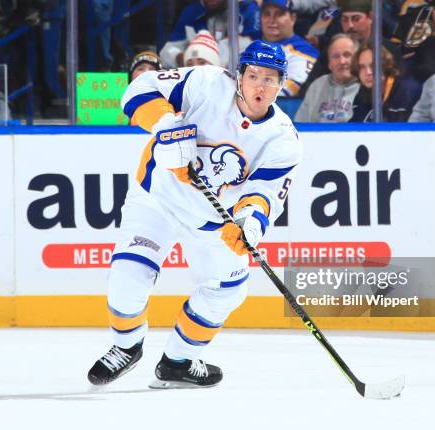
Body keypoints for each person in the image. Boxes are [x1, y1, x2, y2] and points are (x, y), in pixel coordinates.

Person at [87, 40, 301, 389]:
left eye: (271, 79)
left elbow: (264, 194)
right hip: (157, 197)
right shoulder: (206, 82)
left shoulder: (283, 140)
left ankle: (179, 361)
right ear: (239, 76)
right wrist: (166, 124)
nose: (260, 86)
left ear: (282, 84)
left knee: (227, 290)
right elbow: (139, 89)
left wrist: (249, 221)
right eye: (253, 75)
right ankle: (126, 346)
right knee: (127, 277)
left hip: (213, 220)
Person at [160, 0, 261, 68]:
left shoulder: (248, 9)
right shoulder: (191, 11)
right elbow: (167, 50)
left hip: (236, 82)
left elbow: (258, 50)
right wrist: (181, 58)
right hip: (197, 81)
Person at [259, 0, 319, 96]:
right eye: (267, 14)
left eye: (279, 14)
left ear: (292, 18)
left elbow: (285, 94)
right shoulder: (251, 46)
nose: (272, 20)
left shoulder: (305, 51)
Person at [295, 33, 359, 122]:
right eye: (336, 56)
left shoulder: (364, 87)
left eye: (347, 55)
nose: (342, 61)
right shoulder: (317, 85)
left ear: (357, 59)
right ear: (329, 64)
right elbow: (300, 123)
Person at [350, 44, 422, 122]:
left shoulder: (409, 91)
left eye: (373, 65)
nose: (368, 72)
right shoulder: (361, 94)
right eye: (362, 67)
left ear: (385, 65)